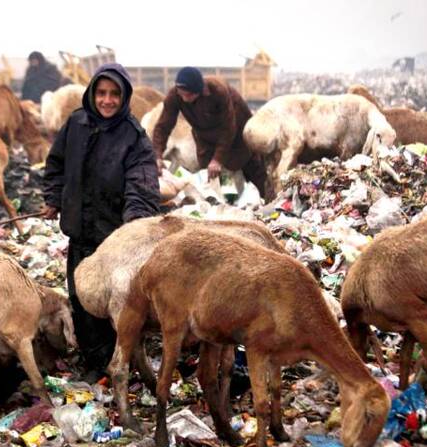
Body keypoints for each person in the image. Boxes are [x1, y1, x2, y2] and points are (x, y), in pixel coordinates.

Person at [42, 63, 160, 380]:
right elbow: (56, 164)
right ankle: (94, 363)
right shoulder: (77, 124)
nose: (107, 100)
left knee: (114, 305)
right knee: (81, 300)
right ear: (93, 93)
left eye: (114, 94)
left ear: (124, 97)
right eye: (102, 93)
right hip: (80, 233)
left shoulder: (134, 138)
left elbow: (143, 188)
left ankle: (117, 362)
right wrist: (53, 198)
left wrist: (133, 227)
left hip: (112, 242)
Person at [152, 66, 268, 198]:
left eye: (188, 95)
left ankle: (263, 203)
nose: (184, 99)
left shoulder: (218, 91)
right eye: (181, 94)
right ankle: (216, 207)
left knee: (252, 169)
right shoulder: (175, 95)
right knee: (210, 180)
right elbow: (163, 126)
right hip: (205, 137)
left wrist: (218, 159)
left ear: (199, 91)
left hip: (237, 133)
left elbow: (228, 128)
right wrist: (157, 155)